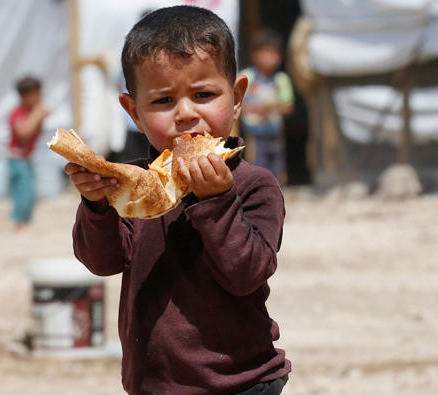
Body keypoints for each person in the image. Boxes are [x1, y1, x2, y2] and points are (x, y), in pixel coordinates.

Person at [66, 6, 290, 394]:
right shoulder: (138, 188)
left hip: (240, 383)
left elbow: (247, 274)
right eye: (163, 101)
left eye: (204, 94)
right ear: (134, 112)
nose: (186, 114)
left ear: (236, 97)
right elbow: (102, 263)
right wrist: (97, 205)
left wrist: (217, 200)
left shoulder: (254, 185)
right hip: (154, 384)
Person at [240, 29, 294, 183]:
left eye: (274, 53)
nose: (270, 58)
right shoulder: (247, 77)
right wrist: (255, 109)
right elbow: (236, 104)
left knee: (277, 166)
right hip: (255, 133)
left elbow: (288, 107)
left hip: (275, 132)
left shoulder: (281, 80)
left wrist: (274, 108)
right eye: (266, 53)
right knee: (257, 166)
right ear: (255, 55)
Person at [8, 76, 50, 230]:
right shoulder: (17, 113)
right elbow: (23, 133)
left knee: (30, 193)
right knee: (24, 192)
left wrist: (39, 118)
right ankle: (19, 223)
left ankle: (24, 222)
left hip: (27, 158)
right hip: (17, 159)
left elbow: (37, 133)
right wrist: (38, 114)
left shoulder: (30, 112)